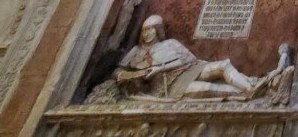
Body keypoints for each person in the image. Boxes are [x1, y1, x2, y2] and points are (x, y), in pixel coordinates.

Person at [115, 15, 268, 100]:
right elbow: (118, 71)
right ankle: (249, 95)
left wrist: (160, 68)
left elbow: (188, 60)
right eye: (144, 30)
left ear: (158, 30)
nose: (147, 33)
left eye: (151, 29)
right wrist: (125, 76)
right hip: (168, 86)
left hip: (190, 69)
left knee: (223, 66)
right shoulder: (136, 51)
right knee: (208, 88)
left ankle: (251, 88)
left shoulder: (170, 43)